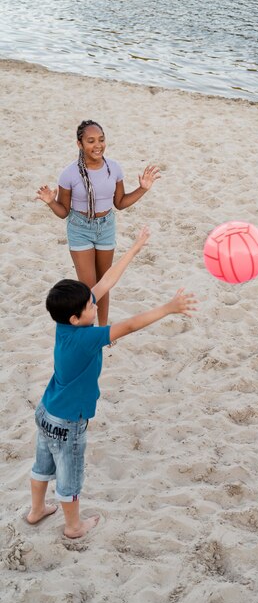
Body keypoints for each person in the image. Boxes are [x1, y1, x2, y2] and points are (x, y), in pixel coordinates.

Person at [26, 227, 197, 539]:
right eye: (91, 307)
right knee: (70, 479)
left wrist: (134, 248)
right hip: (69, 422)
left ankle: (36, 510)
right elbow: (130, 325)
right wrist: (168, 308)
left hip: (46, 412)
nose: (96, 306)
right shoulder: (87, 338)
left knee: (42, 466)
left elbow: (104, 283)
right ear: (76, 318)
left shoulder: (66, 327)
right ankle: (74, 527)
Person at [36, 120, 161, 326]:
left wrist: (143, 189)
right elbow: (63, 212)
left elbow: (119, 203)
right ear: (80, 144)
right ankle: (89, 329)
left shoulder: (114, 168)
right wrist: (51, 202)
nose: (98, 145)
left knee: (105, 283)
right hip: (79, 227)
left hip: (106, 226)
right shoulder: (69, 173)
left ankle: (103, 329)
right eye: (91, 141)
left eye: (101, 140)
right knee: (89, 288)